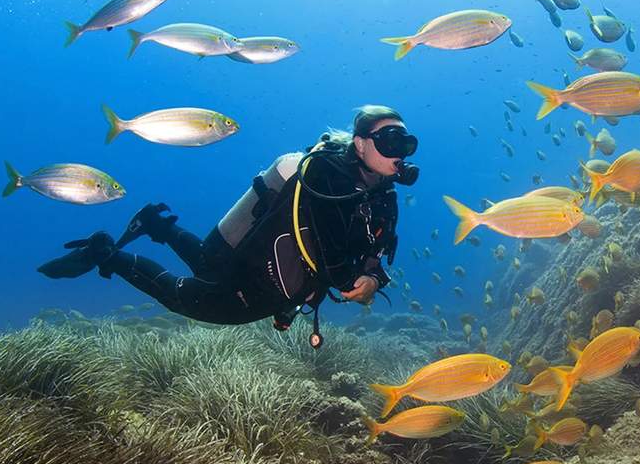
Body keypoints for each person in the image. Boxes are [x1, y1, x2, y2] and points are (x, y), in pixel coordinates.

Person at [38, 105, 417, 346]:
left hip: (239, 252)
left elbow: (378, 249)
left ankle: (157, 225)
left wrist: (374, 278)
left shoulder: (382, 193)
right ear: (360, 144)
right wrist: (364, 284)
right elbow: (336, 266)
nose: (399, 152)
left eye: (406, 144)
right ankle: (106, 253)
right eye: (389, 140)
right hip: (257, 280)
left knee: (207, 263)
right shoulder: (328, 178)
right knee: (185, 299)